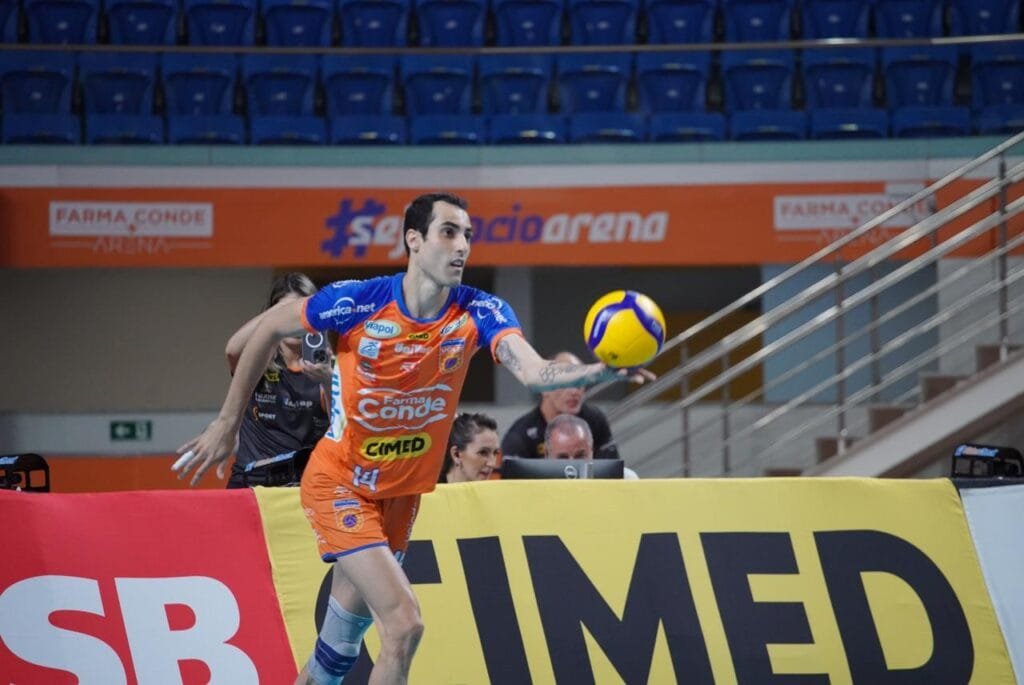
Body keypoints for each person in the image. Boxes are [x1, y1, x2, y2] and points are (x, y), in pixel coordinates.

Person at [172, 192, 648, 685]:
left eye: (467, 235)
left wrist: (598, 372)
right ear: (414, 240)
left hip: (400, 497)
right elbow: (269, 327)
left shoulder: (479, 310)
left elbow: (533, 370)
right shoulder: (360, 300)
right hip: (341, 484)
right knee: (404, 625)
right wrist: (227, 422)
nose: (461, 245)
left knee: (335, 656)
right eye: (449, 232)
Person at [224, 272, 335, 488]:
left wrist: (327, 381)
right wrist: (280, 312)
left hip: (302, 484)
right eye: (286, 314)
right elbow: (232, 350)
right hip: (251, 480)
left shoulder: (328, 367)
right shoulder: (258, 362)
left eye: (299, 312)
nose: (293, 321)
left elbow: (339, 428)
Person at [501, 351, 620, 460]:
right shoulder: (520, 436)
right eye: (566, 383)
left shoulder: (595, 420)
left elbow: (612, 470)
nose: (574, 391)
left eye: (580, 382)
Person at [544, 413, 640, 479]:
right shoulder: (534, 485)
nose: (572, 466)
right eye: (563, 458)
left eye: (580, 456)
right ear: (547, 455)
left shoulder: (625, 479)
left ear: (592, 451)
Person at [438, 412, 501, 483]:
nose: (492, 463)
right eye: (483, 453)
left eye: (495, 453)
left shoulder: (496, 489)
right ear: (456, 454)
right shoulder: (430, 489)